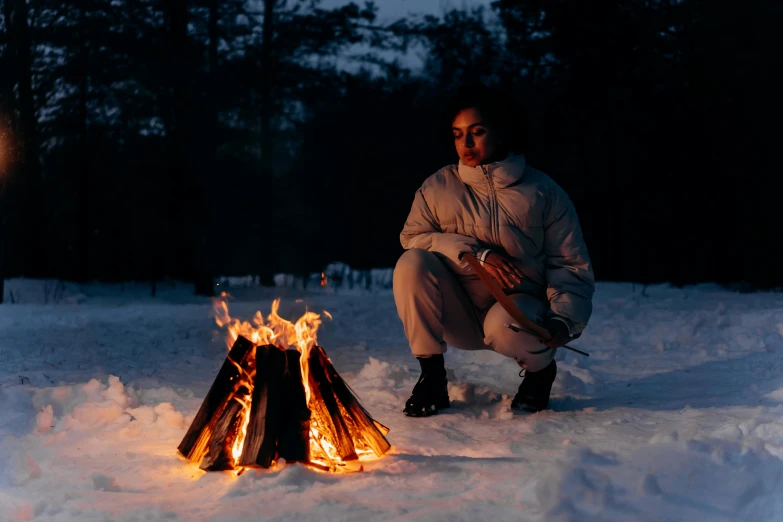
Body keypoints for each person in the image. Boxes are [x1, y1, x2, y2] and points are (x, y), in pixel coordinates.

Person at [393, 86, 595, 416]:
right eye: (458, 134)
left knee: (505, 327)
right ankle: (431, 377)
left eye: (477, 132)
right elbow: (412, 236)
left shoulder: (543, 191)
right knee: (411, 262)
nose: (466, 144)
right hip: (458, 309)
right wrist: (476, 254)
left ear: (500, 132)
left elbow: (570, 262)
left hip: (515, 312)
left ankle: (539, 372)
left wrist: (563, 320)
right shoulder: (437, 187)